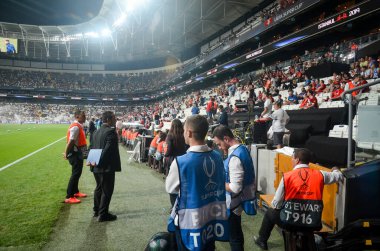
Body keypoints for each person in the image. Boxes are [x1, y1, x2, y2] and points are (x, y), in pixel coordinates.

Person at [254, 148, 343, 250]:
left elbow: (276, 204)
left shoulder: (287, 177)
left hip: (290, 222)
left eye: (292, 158)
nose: (291, 160)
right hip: (313, 224)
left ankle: (262, 240)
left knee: (271, 212)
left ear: (297, 159)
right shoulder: (321, 175)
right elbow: (338, 176)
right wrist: (335, 169)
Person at [166, 115, 229, 250]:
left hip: (189, 224)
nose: (183, 134)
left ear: (189, 132)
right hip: (211, 220)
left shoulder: (181, 162)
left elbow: (170, 188)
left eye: (183, 130)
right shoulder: (218, 157)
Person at [212, 125, 257, 251]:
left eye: (219, 144)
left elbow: (235, 187)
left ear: (226, 139)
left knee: (234, 237)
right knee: (236, 234)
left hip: (235, 202)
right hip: (240, 200)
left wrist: (219, 183)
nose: (219, 148)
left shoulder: (235, 157)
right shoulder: (242, 149)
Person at [89, 111, 121, 222]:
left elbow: (91, 147)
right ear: (108, 119)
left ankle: (97, 211)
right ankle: (103, 214)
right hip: (105, 166)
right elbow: (107, 151)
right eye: (114, 118)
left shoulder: (95, 132)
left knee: (98, 188)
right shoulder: (111, 132)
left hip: (95, 164)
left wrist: (93, 163)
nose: (115, 120)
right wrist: (99, 163)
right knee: (107, 190)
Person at [63, 110, 88, 204]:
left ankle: (76, 192)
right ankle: (69, 196)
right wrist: (66, 153)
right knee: (75, 174)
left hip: (78, 153)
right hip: (75, 153)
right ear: (77, 116)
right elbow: (71, 141)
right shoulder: (76, 127)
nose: (85, 117)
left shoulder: (78, 126)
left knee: (77, 173)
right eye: (83, 115)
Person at [164, 119, 187, 206]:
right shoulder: (183, 135)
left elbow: (168, 150)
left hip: (172, 160)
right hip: (183, 160)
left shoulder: (170, 135)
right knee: (182, 182)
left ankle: (174, 206)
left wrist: (165, 155)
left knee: (172, 183)